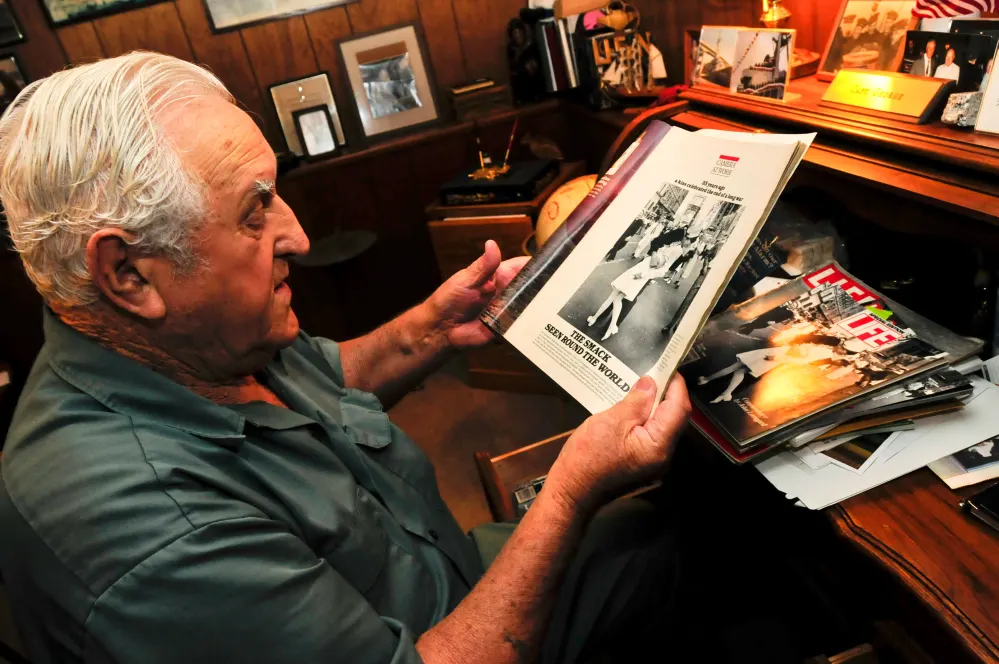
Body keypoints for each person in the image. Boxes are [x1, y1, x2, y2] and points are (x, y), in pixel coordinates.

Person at [0, 53, 692, 664]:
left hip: (441, 574)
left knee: (665, 527)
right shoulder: (153, 534)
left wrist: (428, 330)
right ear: (127, 273)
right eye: (253, 212)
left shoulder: (194, 341)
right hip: (447, 641)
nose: (296, 235)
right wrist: (569, 490)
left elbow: (321, 380)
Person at [587, 242, 682, 341]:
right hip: (640, 267)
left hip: (641, 274)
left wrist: (643, 274)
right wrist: (653, 255)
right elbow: (656, 242)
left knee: (618, 298)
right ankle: (600, 321)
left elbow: (662, 271)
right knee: (614, 296)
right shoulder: (675, 243)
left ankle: (608, 325)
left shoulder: (678, 250)